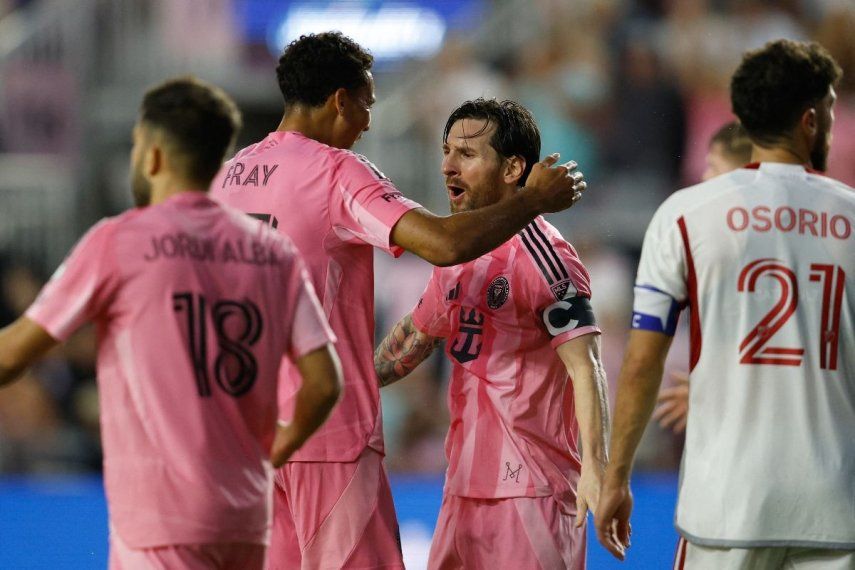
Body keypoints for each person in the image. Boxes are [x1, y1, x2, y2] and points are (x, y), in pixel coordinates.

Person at [210, 33, 587, 569]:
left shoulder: (229, 177)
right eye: (366, 102)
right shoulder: (336, 172)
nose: (367, 121)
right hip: (325, 431)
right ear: (340, 99)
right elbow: (444, 244)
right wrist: (533, 199)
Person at [0, 77, 343, 569]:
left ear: (154, 156)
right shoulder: (271, 251)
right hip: (244, 519)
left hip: (160, 520)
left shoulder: (120, 241)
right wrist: (282, 441)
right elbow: (325, 382)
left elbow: (13, 355)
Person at [596, 39, 854, 569]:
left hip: (726, 505)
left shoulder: (688, 213)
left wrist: (616, 476)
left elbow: (644, 359)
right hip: (835, 505)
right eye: (829, 107)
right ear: (809, 119)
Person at [374, 98, 609, 569]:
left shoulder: (547, 256)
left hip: (531, 492)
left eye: (466, 154)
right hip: (460, 488)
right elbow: (412, 342)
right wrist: (335, 384)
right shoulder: (455, 249)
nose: (446, 166)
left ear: (512, 168)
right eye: (445, 152)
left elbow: (587, 367)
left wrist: (598, 468)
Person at [654, 120, 754, 433]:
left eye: (714, 166)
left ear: (745, 172)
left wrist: (713, 392)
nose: (705, 176)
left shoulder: (747, 248)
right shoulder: (724, 240)